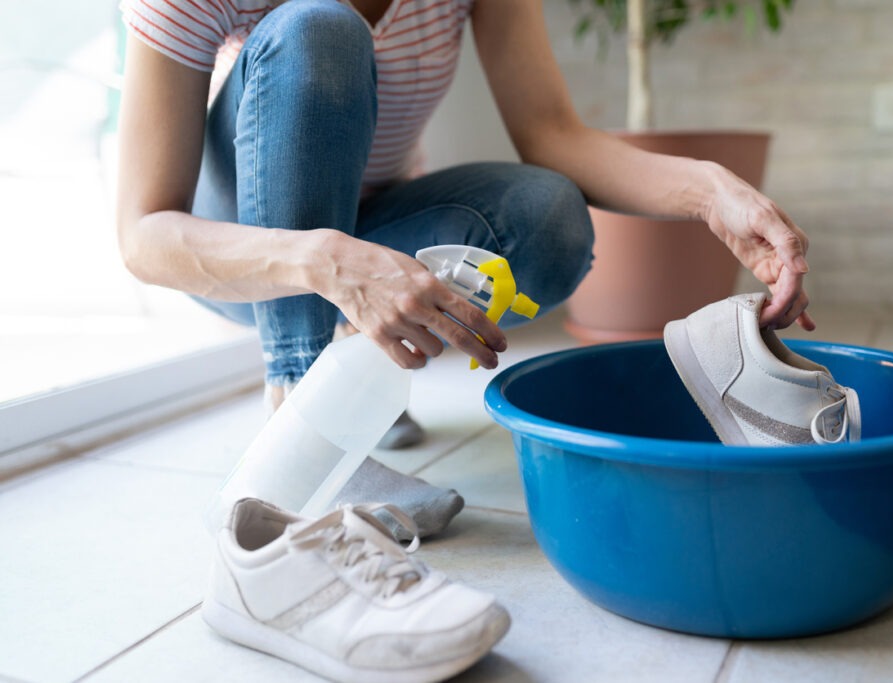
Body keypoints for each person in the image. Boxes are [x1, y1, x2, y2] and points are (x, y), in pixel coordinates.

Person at [116, 0, 814, 521]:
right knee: (320, 30)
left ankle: (355, 382)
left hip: (377, 219)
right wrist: (327, 258)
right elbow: (143, 233)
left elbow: (552, 134)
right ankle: (303, 424)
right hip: (246, 247)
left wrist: (711, 192)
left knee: (548, 216)